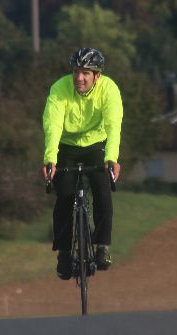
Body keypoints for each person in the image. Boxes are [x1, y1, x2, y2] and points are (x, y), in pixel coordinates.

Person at [42, 47, 123, 280]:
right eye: (76, 72)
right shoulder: (59, 89)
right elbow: (53, 125)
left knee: (102, 188)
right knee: (65, 196)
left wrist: (112, 159)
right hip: (65, 145)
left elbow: (113, 126)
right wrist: (50, 159)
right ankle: (65, 253)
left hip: (96, 144)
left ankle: (102, 247)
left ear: (97, 76)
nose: (79, 78)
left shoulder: (109, 89)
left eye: (86, 73)